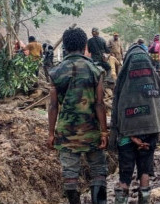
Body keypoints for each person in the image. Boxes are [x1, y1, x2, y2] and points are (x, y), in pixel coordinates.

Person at [47, 27, 108, 204]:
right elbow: (99, 103)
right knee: (98, 170)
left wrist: (51, 133)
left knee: (70, 174)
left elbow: (52, 106)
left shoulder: (56, 72)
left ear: (65, 46)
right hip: (91, 131)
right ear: (84, 46)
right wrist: (104, 132)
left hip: (66, 132)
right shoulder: (95, 70)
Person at [110, 42, 160, 204]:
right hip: (150, 133)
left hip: (126, 135)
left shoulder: (123, 82)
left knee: (125, 173)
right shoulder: (155, 79)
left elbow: (117, 108)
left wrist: (129, 134)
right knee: (145, 171)